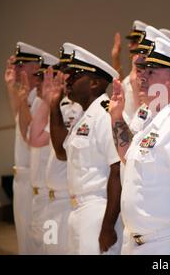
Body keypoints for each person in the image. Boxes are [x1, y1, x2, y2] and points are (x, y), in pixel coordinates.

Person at [109, 37, 170, 254]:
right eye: (143, 70)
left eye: (151, 71)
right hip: (136, 243)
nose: (141, 76)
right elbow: (130, 156)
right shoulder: (153, 121)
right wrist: (116, 117)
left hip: (165, 245)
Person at [48, 43, 123, 254]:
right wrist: (54, 105)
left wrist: (108, 226)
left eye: (74, 76)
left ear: (94, 83)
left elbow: (117, 171)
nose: (68, 81)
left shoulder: (104, 114)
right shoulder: (86, 115)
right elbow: (62, 152)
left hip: (97, 211)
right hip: (77, 210)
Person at [36, 44, 83, 254]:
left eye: (68, 71)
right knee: (49, 249)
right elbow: (35, 137)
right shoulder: (61, 106)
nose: (63, 76)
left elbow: (62, 151)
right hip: (51, 201)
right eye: (62, 71)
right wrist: (50, 102)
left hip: (67, 201)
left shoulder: (79, 108)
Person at [4, 42, 42, 254]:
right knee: (24, 243)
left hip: (33, 179)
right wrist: (11, 87)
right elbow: (17, 119)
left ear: (35, 67)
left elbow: (30, 136)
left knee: (35, 243)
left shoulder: (40, 98)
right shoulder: (27, 96)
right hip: (21, 178)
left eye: (21, 65)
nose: (16, 69)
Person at [25, 52, 60, 254]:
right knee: (41, 249)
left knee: (52, 249)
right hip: (41, 198)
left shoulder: (60, 109)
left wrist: (48, 101)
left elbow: (36, 139)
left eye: (44, 78)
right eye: (38, 77)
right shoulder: (41, 105)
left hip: (54, 200)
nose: (38, 83)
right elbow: (30, 137)